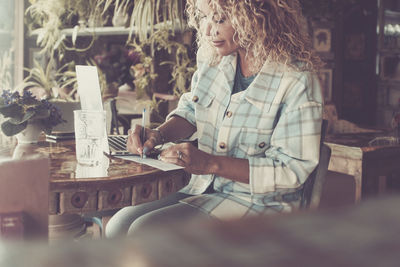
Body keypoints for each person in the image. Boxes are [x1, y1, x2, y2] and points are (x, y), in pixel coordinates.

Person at [106, 0, 323, 238]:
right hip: (202, 186)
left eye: (220, 19)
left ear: (257, 16)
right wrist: (158, 135)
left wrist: (211, 163)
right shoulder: (213, 58)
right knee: (117, 227)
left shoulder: (296, 80)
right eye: (203, 17)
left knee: (144, 233)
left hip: (259, 203)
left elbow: (290, 170)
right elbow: (192, 110)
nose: (208, 30)